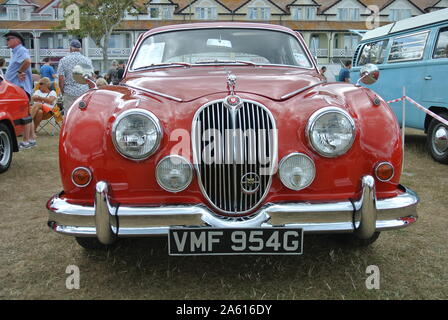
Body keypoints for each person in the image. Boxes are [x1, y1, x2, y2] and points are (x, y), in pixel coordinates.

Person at [4, 31, 36, 149]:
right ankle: (31, 139)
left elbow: (27, 61)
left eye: (9, 39)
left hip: (20, 89)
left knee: (25, 116)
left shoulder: (21, 50)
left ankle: (26, 141)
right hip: (20, 89)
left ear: (17, 40)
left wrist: (19, 72)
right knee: (27, 114)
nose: (7, 41)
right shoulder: (17, 51)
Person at [57, 39, 93, 113]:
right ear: (80, 49)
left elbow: (61, 78)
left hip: (69, 92)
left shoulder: (63, 60)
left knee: (69, 115)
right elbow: (90, 77)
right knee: (82, 114)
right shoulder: (87, 60)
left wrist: (62, 91)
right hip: (84, 92)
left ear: (70, 48)